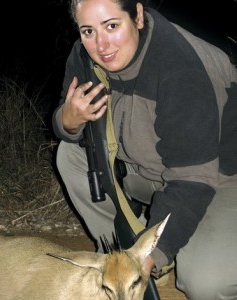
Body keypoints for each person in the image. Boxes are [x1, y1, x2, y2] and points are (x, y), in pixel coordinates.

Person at [52, 0, 237, 299]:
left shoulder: (180, 68)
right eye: (88, 30)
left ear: (137, 15)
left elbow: (193, 181)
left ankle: (150, 258)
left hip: (218, 179)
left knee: (207, 283)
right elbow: (69, 124)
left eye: (112, 26)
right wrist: (68, 121)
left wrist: (146, 261)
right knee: (69, 156)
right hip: (149, 167)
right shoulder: (84, 56)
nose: (101, 44)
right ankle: (115, 261)